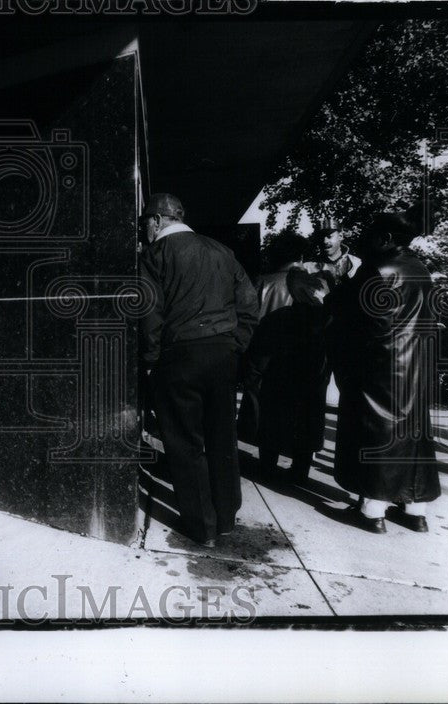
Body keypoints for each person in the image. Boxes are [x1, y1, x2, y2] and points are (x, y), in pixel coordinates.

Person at [139, 193, 259, 547]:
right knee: (222, 436)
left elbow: (150, 315)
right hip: (223, 355)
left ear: (158, 220)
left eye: (144, 221)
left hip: (179, 357)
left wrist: (150, 361)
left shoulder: (154, 256)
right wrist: (236, 343)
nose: (143, 228)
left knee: (185, 442)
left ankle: (201, 525)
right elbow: (249, 303)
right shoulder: (220, 250)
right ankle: (225, 518)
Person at [332, 211, 441, 534]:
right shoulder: (420, 269)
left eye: (370, 234)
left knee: (376, 432)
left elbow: (358, 321)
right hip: (416, 364)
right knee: (413, 434)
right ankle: (415, 510)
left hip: (380, 365)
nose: (364, 239)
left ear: (386, 239)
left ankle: (372, 509)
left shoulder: (376, 270)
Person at [237, 232, 329, 482]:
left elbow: (249, 321)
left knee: (270, 412)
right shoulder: (319, 285)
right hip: (309, 359)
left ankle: (267, 465)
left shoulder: (262, 283)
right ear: (301, 256)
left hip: (269, 357)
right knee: (307, 411)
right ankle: (301, 469)